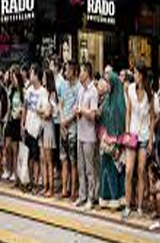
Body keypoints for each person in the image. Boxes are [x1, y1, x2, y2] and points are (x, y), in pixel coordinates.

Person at [123, 60, 155, 218]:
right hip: (132, 134)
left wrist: (151, 140)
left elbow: (152, 118)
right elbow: (128, 112)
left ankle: (140, 206)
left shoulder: (150, 94)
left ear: (141, 75)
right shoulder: (130, 89)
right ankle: (127, 205)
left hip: (144, 135)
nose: (134, 75)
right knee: (129, 170)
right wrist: (127, 132)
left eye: (135, 73)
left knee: (141, 170)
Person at [99, 71, 126, 210]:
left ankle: (118, 199)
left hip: (116, 143)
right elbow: (102, 117)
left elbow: (122, 123)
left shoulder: (120, 101)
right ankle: (106, 198)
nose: (107, 85)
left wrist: (116, 140)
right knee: (106, 169)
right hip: (106, 141)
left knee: (117, 171)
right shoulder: (107, 99)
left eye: (109, 83)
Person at [74, 62, 99, 210]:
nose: (79, 74)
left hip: (89, 135)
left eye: (82, 71)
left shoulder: (93, 91)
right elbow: (77, 107)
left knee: (90, 169)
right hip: (80, 133)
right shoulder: (80, 90)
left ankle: (91, 197)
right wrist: (77, 110)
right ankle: (82, 195)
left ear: (87, 73)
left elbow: (93, 114)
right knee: (80, 167)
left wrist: (81, 110)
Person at [22, 64, 46, 194]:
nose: (29, 76)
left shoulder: (43, 92)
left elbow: (44, 110)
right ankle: (30, 181)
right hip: (28, 127)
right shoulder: (29, 90)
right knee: (28, 156)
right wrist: (22, 123)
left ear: (36, 75)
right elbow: (25, 107)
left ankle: (36, 182)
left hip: (37, 128)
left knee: (36, 157)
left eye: (31, 73)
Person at [59, 60, 80, 199]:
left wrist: (67, 121)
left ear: (73, 71)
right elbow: (60, 104)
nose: (65, 72)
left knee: (73, 161)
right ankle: (64, 188)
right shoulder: (63, 85)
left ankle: (73, 189)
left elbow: (77, 109)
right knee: (64, 159)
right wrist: (62, 120)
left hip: (73, 128)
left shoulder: (79, 87)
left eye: (67, 70)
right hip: (63, 126)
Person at [3, 66, 25, 183]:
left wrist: (21, 116)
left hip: (17, 121)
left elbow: (24, 107)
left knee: (15, 149)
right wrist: (6, 119)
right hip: (10, 120)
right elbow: (9, 105)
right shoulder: (11, 90)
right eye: (11, 77)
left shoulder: (22, 91)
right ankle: (9, 169)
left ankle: (15, 172)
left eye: (14, 77)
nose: (12, 80)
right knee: (7, 146)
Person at [39, 69, 57, 197]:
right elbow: (39, 110)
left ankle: (51, 187)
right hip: (42, 126)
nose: (43, 79)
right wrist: (42, 112)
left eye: (44, 77)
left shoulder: (52, 94)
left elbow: (48, 113)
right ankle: (45, 185)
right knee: (43, 158)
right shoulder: (43, 92)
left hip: (49, 127)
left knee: (49, 159)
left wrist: (42, 112)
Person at [49, 55, 65, 175]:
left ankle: (59, 169)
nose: (50, 67)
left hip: (58, 118)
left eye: (51, 64)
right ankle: (55, 167)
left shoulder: (61, 81)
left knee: (59, 145)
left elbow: (61, 101)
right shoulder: (50, 79)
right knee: (52, 145)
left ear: (56, 67)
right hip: (51, 116)